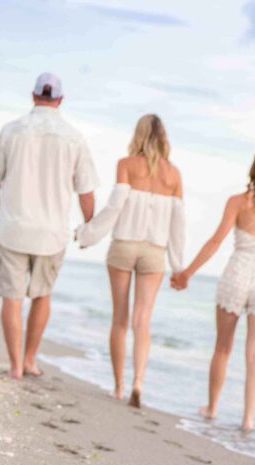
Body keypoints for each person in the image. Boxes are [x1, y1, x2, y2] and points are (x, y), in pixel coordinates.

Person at [0, 73, 97, 380]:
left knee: (12, 296)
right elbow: (86, 191)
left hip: (14, 228)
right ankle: (30, 359)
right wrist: (89, 227)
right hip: (52, 233)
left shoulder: (12, 130)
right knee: (42, 295)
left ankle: (15, 366)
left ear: (33, 96)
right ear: (60, 100)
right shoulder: (74, 137)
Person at [172, 147, 255, 432]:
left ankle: (212, 408)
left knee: (223, 347)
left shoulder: (238, 202)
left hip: (236, 276)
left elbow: (215, 242)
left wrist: (187, 273)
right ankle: (248, 419)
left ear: (254, 171)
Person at [76, 114, 184, 407]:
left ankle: (119, 386)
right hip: (154, 252)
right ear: (164, 138)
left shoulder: (126, 165)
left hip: (124, 246)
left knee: (120, 319)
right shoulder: (173, 175)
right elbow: (178, 224)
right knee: (143, 319)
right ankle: (139, 381)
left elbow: (114, 206)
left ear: (138, 135)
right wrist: (179, 266)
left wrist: (88, 234)